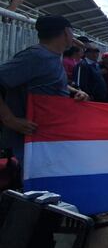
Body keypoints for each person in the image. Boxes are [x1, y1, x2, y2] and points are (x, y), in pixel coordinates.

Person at [0, 16, 89, 165]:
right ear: (66, 33)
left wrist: (73, 92)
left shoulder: (52, 56)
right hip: (26, 145)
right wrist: (9, 119)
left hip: (43, 140)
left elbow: (45, 82)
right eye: (71, 33)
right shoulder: (37, 56)